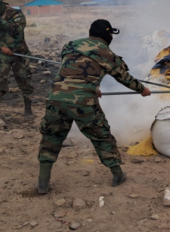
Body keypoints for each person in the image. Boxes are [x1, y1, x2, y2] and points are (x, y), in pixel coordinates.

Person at [37, 19, 151, 194]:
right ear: (107, 34)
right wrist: (142, 90)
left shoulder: (69, 46)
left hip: (55, 98)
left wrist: (92, 86)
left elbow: (73, 69)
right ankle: (117, 175)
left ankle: (42, 183)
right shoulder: (107, 54)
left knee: (51, 137)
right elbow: (124, 78)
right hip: (83, 102)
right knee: (101, 136)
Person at [0, 0, 34, 126]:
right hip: (2, 55)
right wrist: (0, 47)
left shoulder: (16, 14)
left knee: (24, 81)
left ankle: (28, 110)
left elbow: (18, 31)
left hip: (20, 53)